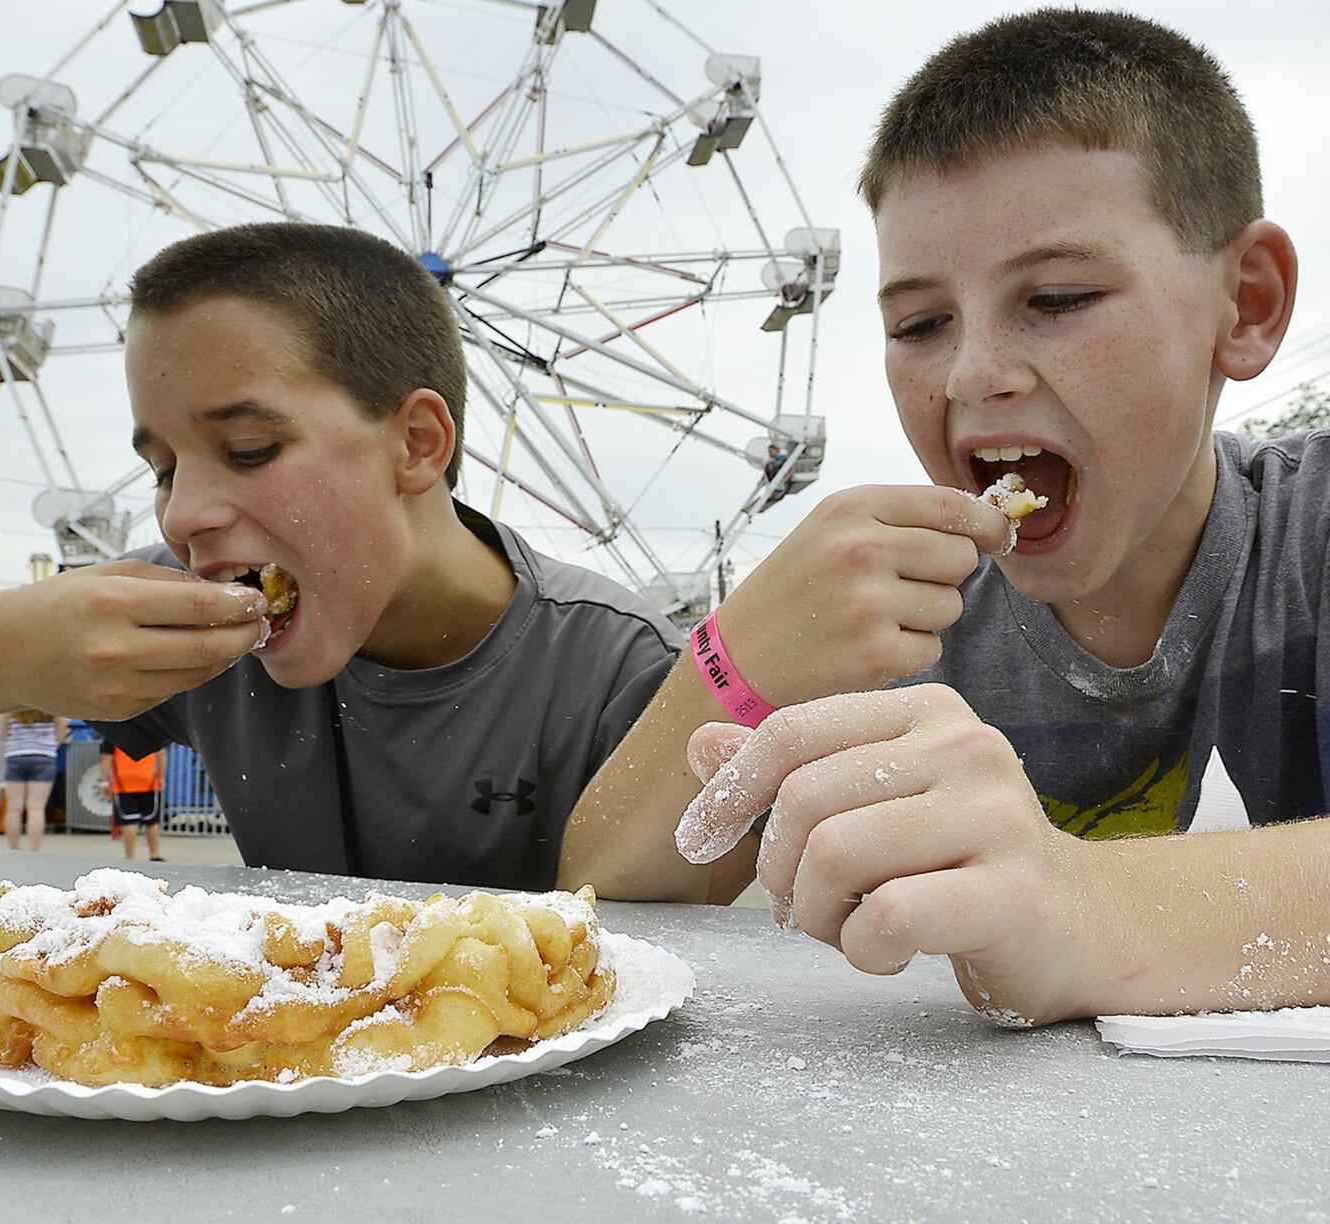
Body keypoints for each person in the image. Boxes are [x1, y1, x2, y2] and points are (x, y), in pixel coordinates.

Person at [561, 9, 1328, 1025]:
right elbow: (609, 892)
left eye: (1056, 297)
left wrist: (1076, 903)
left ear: (1246, 305)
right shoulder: (885, 621)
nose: (972, 375)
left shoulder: (1306, 532)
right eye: (919, 324)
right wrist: (733, 660)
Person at [0, 222, 680, 890]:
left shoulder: (622, 671)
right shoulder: (194, 629)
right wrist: (17, 649)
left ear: (418, 443)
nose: (183, 516)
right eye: (161, 470)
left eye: (248, 451)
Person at [0, 709, 65, 852]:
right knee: (36, 808)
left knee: (13, 809)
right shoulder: (49, 704)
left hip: (15, 755)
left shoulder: (10, 706)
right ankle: (34, 851)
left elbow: (4, 732)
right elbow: (61, 733)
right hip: (43, 756)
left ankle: (13, 850)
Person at [100, 743, 165, 861]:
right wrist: (160, 777)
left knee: (128, 821)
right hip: (148, 779)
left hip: (123, 781)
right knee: (152, 821)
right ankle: (154, 854)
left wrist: (103, 782)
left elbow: (106, 758)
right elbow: (161, 754)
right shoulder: (150, 731)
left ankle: (130, 856)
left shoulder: (113, 733)